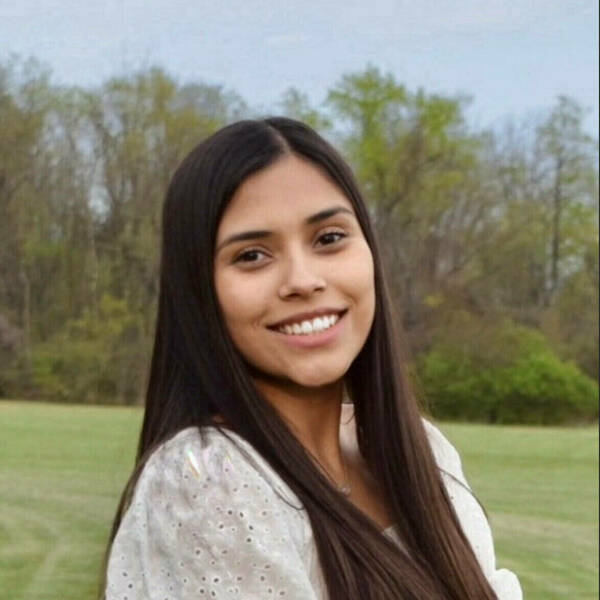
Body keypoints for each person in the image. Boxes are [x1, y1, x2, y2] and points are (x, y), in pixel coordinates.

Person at [101, 117, 522, 599]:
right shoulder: (207, 481)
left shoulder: (420, 451)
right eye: (253, 255)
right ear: (199, 292)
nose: (303, 280)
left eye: (329, 238)